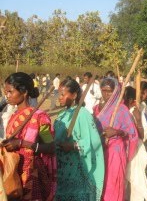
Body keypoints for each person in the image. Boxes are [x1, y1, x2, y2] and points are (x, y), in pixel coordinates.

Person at [3, 72, 56, 200]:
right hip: (14, 171)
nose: (7, 96)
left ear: (24, 92)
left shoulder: (40, 117)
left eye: (10, 92)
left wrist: (22, 144)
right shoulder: (13, 115)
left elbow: (50, 147)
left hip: (32, 175)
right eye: (6, 92)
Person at [54, 79, 104, 200]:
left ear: (74, 95)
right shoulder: (62, 115)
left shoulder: (83, 114)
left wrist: (72, 146)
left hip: (78, 170)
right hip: (63, 170)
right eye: (58, 94)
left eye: (63, 94)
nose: (59, 97)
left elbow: (93, 142)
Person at [94, 78, 138, 201]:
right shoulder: (96, 109)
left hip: (115, 153)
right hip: (99, 152)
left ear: (116, 91)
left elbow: (132, 134)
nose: (106, 94)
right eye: (103, 91)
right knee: (100, 184)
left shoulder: (122, 110)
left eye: (109, 91)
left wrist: (117, 132)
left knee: (113, 186)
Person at [124, 86, 147, 201]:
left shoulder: (136, 112)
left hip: (135, 151)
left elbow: (143, 135)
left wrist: (138, 120)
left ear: (129, 99)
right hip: (122, 151)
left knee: (135, 181)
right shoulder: (119, 111)